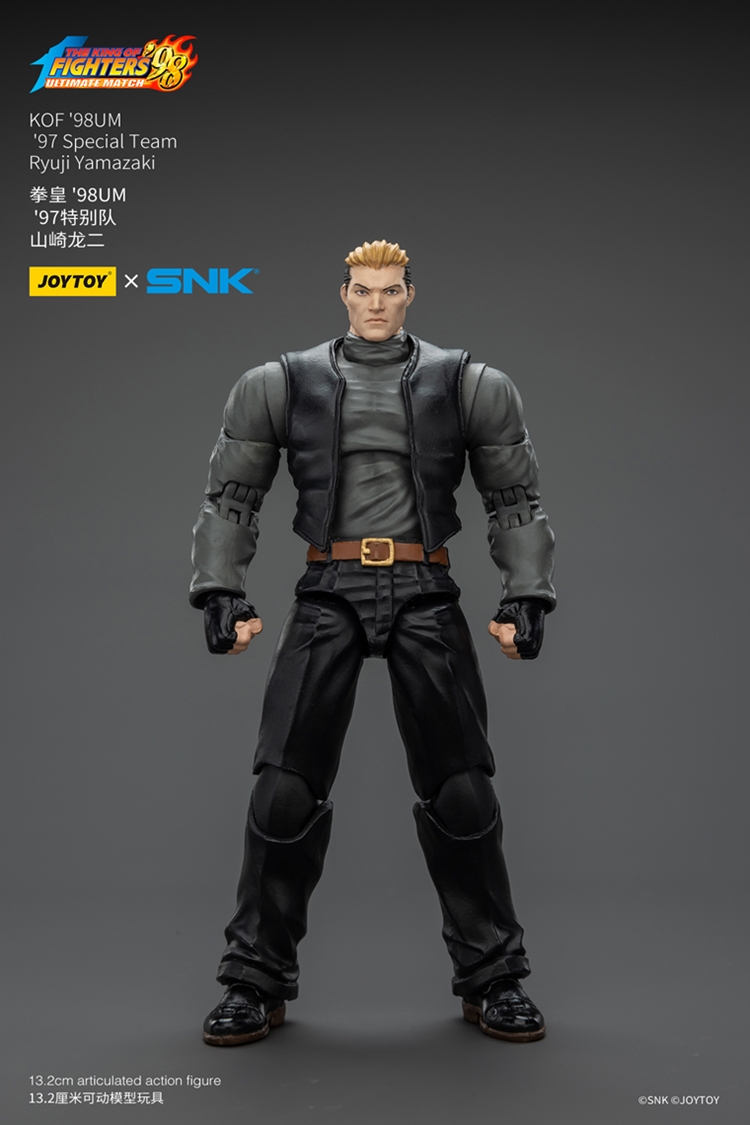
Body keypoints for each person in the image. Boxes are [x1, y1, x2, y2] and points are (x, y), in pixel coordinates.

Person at [190, 240, 555, 1045]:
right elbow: (232, 496)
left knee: (462, 788)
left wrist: (526, 594)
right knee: (283, 787)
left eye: (391, 290)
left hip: (426, 584)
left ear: (409, 294)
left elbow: (515, 499)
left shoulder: (469, 383)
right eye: (364, 290)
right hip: (330, 584)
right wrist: (221, 588)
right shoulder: (282, 382)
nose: (378, 303)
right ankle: (253, 978)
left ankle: (494, 976)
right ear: (345, 294)